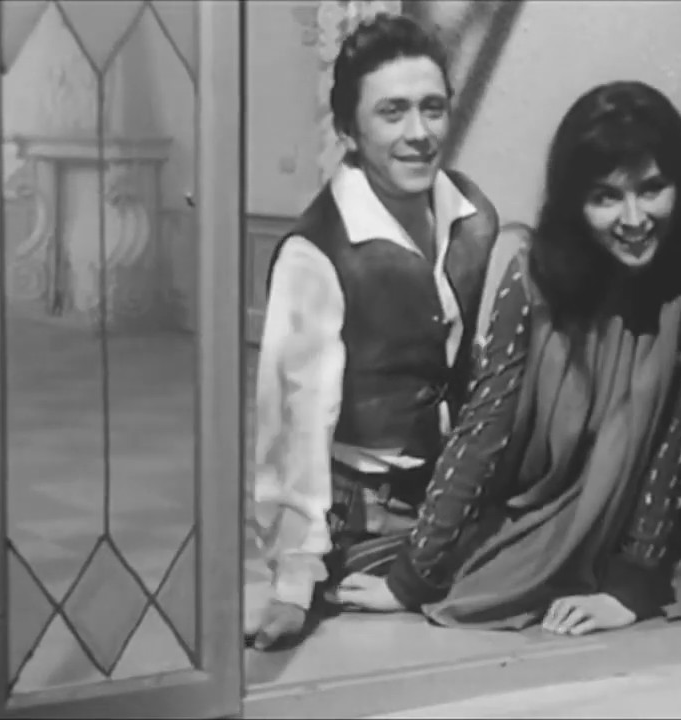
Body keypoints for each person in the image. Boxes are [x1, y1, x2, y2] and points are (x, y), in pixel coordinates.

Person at [333, 79, 681, 636]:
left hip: (626, 549)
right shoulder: (534, 278)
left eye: (651, 189)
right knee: (342, 579)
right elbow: (485, 428)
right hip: (517, 518)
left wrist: (631, 589)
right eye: (606, 197)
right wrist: (412, 578)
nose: (634, 219)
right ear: (575, 203)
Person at [245, 12, 500, 650]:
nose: (419, 133)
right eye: (392, 112)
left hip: (451, 498)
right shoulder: (315, 253)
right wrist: (293, 583)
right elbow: (294, 425)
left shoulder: (471, 216)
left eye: (432, 108)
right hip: (363, 520)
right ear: (348, 131)